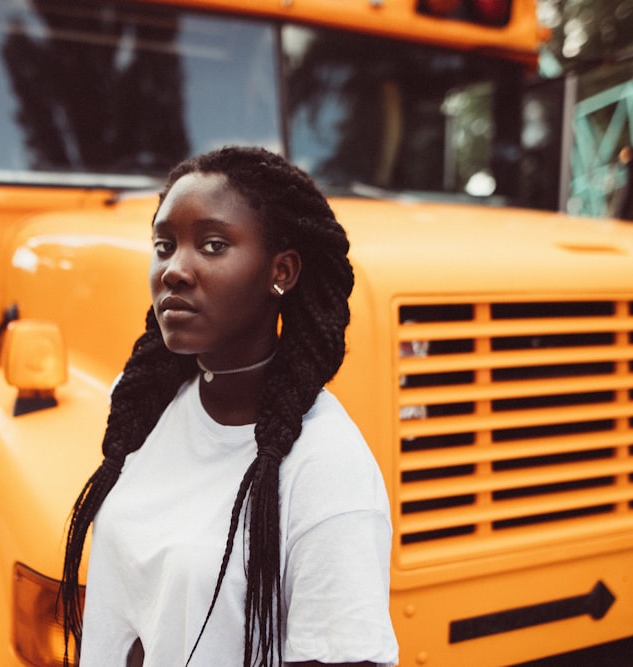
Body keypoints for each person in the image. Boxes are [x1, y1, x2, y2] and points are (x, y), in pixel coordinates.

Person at [60, 146, 398, 667]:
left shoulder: (326, 468)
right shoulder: (143, 402)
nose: (174, 270)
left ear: (280, 271)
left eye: (213, 245)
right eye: (164, 246)